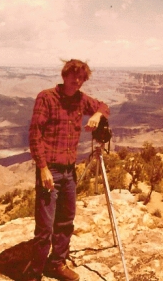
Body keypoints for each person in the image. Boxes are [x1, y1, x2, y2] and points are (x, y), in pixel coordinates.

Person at [25, 59, 110, 281]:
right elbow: (35, 135)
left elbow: (104, 106)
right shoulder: (47, 98)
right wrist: (42, 168)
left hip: (69, 171)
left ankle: (56, 263)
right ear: (65, 76)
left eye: (82, 78)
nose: (78, 81)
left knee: (66, 220)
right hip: (50, 169)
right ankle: (35, 271)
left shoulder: (81, 100)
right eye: (74, 76)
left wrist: (97, 115)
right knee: (45, 226)